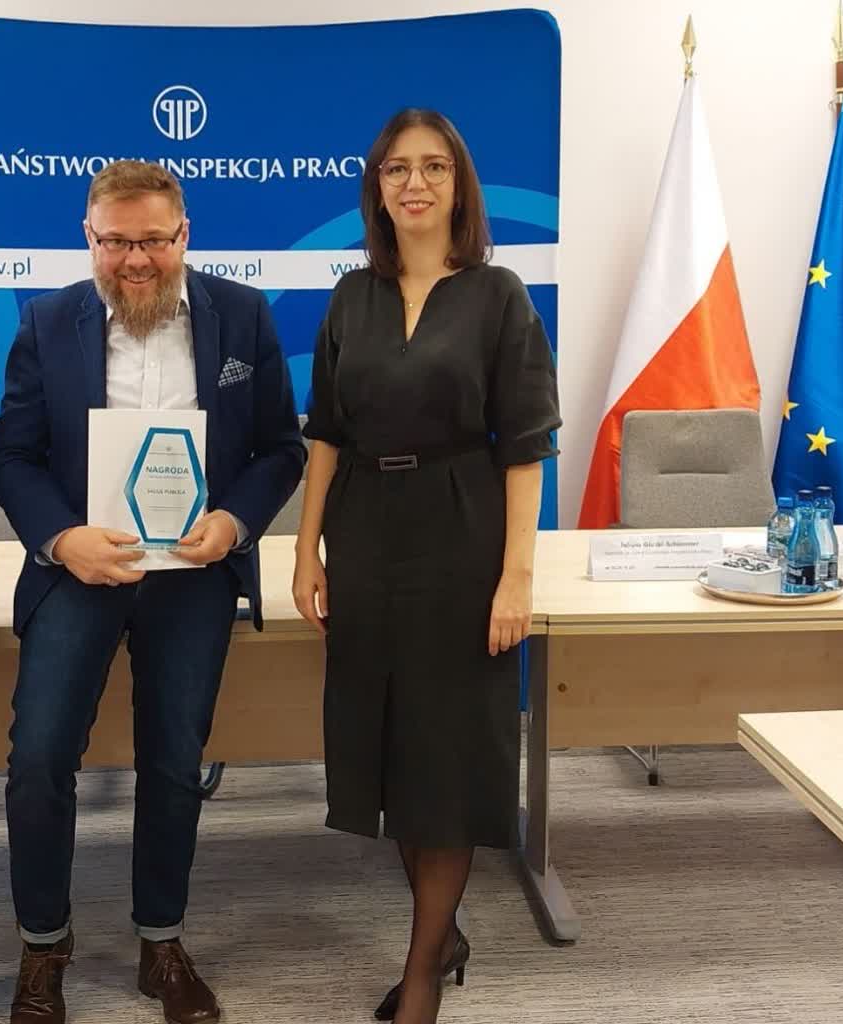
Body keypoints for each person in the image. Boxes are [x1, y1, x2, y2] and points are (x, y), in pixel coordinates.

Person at [0, 160, 305, 1024]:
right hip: (81, 571)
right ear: (88, 237)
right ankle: (43, 945)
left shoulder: (242, 315)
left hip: (193, 574)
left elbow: (282, 448)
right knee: (38, 760)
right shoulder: (47, 321)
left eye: (154, 241)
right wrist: (64, 539)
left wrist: (234, 522)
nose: (135, 260)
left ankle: (161, 942)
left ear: (184, 236)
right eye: (116, 241)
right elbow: (11, 459)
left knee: (172, 762)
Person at [291, 109, 561, 1024]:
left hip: (462, 532)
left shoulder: (499, 295)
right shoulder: (350, 297)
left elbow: (525, 447)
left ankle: (420, 978)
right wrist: (307, 549)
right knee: (393, 753)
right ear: (376, 186)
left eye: (434, 167)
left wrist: (516, 575)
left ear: (459, 185)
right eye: (397, 168)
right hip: (366, 531)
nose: (415, 183)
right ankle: (440, 937)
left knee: (445, 757)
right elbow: (326, 433)